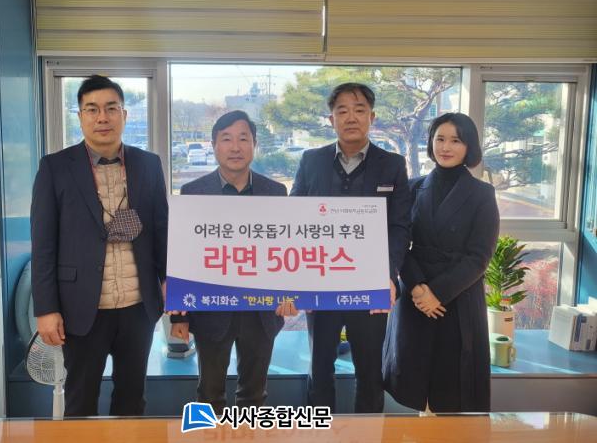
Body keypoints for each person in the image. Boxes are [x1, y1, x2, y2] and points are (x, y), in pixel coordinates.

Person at [31, 75, 168, 416]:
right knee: (80, 400)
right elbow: (43, 244)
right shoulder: (55, 167)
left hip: (138, 306)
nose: (102, 117)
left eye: (111, 108)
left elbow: (162, 231)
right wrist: (46, 309)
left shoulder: (148, 164)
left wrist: (172, 286)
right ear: (80, 117)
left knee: (133, 398)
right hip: (80, 307)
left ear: (124, 114)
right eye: (91, 109)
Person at [290, 82, 410, 413]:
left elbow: (400, 226)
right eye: (342, 111)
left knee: (370, 372)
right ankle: (320, 431)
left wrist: (388, 275)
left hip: (370, 285)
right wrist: (297, 280)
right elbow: (293, 219)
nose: (351, 117)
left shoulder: (392, 165)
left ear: (372, 117)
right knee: (319, 369)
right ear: (331, 120)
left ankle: (367, 433)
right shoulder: (311, 161)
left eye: (359, 110)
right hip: (320, 282)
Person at [170, 110, 295, 414]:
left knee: (255, 394)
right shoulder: (192, 192)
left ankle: (250, 434)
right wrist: (179, 318)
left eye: (243, 139)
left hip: (262, 311)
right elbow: (183, 256)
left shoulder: (276, 192)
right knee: (208, 393)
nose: (235, 147)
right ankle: (206, 435)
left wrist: (290, 294)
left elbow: (287, 249)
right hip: (211, 309)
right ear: (214, 146)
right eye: (226, 139)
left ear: (254, 145)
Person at [383, 112, 500, 412]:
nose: (446, 147)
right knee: (412, 381)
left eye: (456, 141)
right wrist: (417, 288)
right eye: (440, 139)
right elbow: (398, 243)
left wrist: (437, 293)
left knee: (452, 390)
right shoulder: (412, 187)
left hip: (457, 297)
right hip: (415, 294)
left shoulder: (483, 194)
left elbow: (479, 256)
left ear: (469, 146)